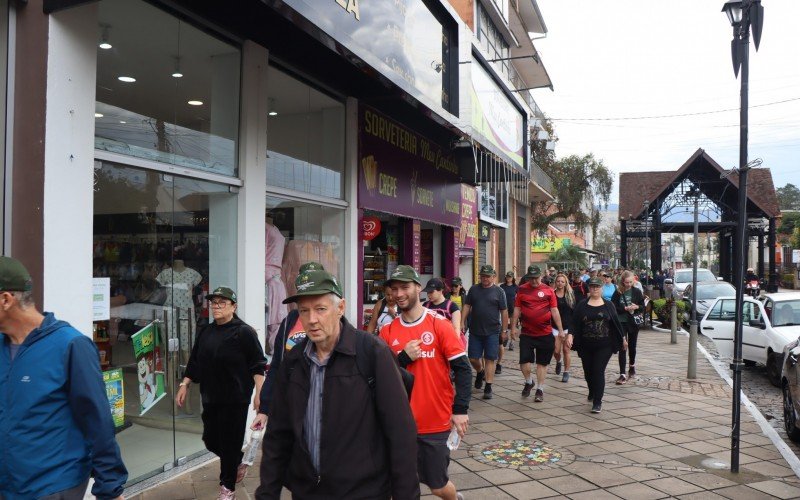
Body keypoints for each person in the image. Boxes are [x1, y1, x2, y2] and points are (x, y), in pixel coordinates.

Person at [257, 270, 419, 499]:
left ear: (340, 308)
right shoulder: (293, 362)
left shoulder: (371, 353)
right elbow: (278, 435)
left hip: (363, 492)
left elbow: (400, 432)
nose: (311, 319)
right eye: (304, 311)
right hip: (307, 492)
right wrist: (267, 492)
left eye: (320, 309)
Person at [0, 256, 128, 499]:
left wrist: (110, 487)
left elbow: (97, 420)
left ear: (6, 299)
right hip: (7, 486)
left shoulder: (70, 345)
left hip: (52, 488)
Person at [381, 265, 471, 500]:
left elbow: (463, 369)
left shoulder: (439, 325)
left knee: (438, 486)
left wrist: (460, 410)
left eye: (405, 287)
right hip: (398, 424)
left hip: (434, 423)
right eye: (395, 289)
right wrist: (402, 358)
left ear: (418, 288)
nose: (399, 294)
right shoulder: (388, 331)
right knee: (399, 486)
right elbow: (379, 376)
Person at [176, 286, 267, 500]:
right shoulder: (207, 331)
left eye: (222, 302)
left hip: (235, 398)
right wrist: (185, 384)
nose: (216, 306)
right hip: (210, 396)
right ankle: (237, 461)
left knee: (229, 442)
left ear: (233, 307)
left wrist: (259, 394)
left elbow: (258, 365)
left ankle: (227, 488)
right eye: (213, 302)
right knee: (211, 440)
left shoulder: (243, 332)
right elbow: (195, 359)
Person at [252, 262, 324, 431]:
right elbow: (277, 365)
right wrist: (264, 409)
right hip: (289, 402)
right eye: (304, 285)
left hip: (321, 405)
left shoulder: (331, 323)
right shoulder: (289, 321)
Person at [510, 267, 567, 402]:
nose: (534, 281)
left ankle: (540, 389)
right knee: (524, 361)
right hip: (527, 333)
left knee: (542, 363)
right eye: (531, 278)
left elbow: (554, 311)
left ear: (541, 276)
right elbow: (517, 309)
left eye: (536, 277)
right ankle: (529, 381)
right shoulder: (522, 289)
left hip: (545, 333)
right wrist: (512, 327)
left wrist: (560, 329)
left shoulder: (548, 290)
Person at [571, 277, 627, 414]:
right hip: (585, 344)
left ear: (602, 288)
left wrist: (623, 339)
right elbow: (574, 323)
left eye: (597, 286)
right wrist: (569, 335)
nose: (595, 289)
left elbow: (615, 323)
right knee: (588, 372)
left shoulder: (609, 305)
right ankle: (592, 389)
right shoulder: (582, 305)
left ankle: (597, 401)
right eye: (592, 286)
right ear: (589, 288)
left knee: (598, 370)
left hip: (604, 345)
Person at [461, 265, 508, 400]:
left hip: (492, 331)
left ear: (493, 277)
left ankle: (488, 385)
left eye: (487, 276)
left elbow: (504, 312)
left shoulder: (499, 292)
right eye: (482, 276)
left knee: (490, 358)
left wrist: (504, 330)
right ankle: (480, 371)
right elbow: (467, 306)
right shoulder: (474, 289)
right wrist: (461, 322)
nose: (485, 278)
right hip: (475, 330)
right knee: (473, 358)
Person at [612, 271, 646, 385]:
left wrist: (637, 306)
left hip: (632, 322)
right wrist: (624, 309)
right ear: (622, 281)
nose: (629, 284)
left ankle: (632, 365)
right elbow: (613, 307)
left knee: (632, 346)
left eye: (631, 282)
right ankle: (622, 373)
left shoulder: (636, 291)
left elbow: (642, 306)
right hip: (621, 322)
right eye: (626, 282)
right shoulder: (618, 292)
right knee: (623, 345)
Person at [553, 273, 576, 383]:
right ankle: (559, 361)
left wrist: (572, 330)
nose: (560, 283)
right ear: (555, 282)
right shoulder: (552, 294)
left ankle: (566, 372)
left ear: (566, 283)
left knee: (566, 349)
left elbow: (574, 313)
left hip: (568, 326)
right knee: (556, 350)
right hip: (555, 326)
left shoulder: (570, 295)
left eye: (562, 281)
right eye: (558, 281)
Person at [497, 271, 518, 373]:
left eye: (510, 277)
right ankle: (505, 338)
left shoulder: (516, 287)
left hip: (512, 308)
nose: (509, 278)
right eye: (507, 277)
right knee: (504, 324)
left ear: (513, 278)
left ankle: (511, 342)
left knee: (512, 325)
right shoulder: (502, 286)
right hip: (504, 309)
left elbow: (518, 298)